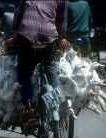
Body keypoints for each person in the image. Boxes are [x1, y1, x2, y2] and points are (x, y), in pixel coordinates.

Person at [5, 0, 69, 131]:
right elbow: (62, 21)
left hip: (26, 34)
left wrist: (15, 38)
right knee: (51, 68)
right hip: (49, 35)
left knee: (24, 72)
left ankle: (29, 106)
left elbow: (17, 17)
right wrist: (61, 37)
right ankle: (54, 106)